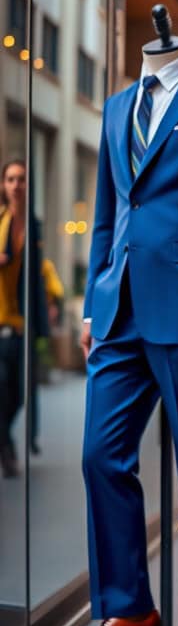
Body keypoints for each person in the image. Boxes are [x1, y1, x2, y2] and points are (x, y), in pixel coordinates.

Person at [49, 34, 178, 626]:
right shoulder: (120, 102)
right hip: (119, 310)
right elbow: (108, 210)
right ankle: (128, 612)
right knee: (100, 454)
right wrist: (96, 292)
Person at [0, 160, 47, 477]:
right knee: (2, 387)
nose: (17, 185)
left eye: (22, 179)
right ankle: (7, 445)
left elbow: (40, 273)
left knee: (20, 392)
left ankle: (5, 439)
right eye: (11, 179)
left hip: (22, 322)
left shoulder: (34, 225)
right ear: (3, 185)